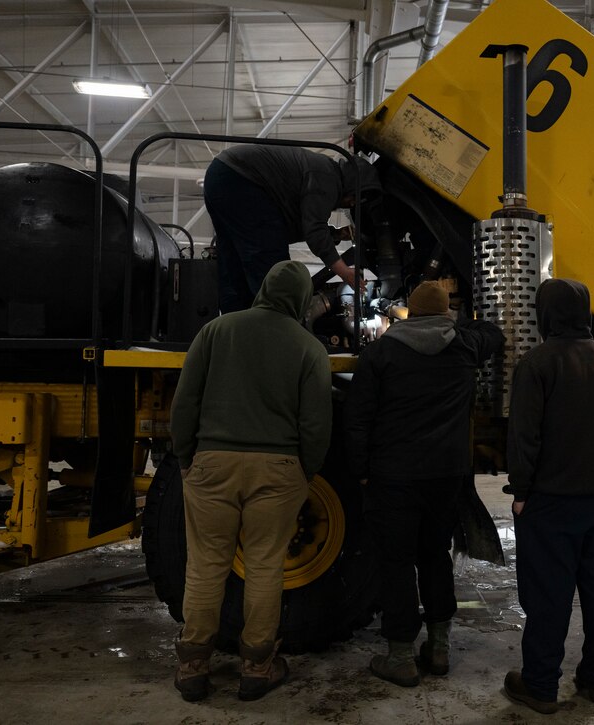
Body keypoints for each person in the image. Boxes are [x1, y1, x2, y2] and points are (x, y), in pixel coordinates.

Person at [170, 260, 332, 703]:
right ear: (302, 300)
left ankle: (193, 666)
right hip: (277, 469)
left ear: (262, 289)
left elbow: (185, 403)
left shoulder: (216, 332)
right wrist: (306, 471)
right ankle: (257, 667)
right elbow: (316, 423)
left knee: (205, 564)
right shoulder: (308, 347)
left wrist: (187, 458)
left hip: (212, 463)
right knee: (264, 565)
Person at [346, 281, 504, 688]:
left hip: (393, 475)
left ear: (409, 313)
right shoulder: (465, 347)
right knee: (434, 555)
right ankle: (438, 648)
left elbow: (358, 418)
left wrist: (361, 470)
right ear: (446, 314)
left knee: (395, 561)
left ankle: (400, 656)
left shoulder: (380, 353)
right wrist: (462, 322)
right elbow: (495, 334)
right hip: (445, 476)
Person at [502, 278, 594, 715]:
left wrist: (521, 491)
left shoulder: (538, 363)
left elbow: (524, 436)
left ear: (545, 313)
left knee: (548, 592)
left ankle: (539, 684)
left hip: (551, 499)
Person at [203, 144, 382, 313]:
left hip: (221, 176)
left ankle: (236, 323)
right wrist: (344, 272)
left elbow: (298, 225)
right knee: (274, 270)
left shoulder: (321, 172)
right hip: (241, 180)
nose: (351, 203)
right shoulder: (328, 176)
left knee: (232, 263)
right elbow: (314, 230)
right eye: (355, 198)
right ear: (352, 183)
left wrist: (334, 234)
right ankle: (278, 326)